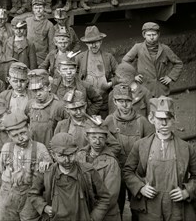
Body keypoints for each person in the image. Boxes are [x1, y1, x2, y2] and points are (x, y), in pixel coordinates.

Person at [123, 96, 196, 221]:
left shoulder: (186, 148)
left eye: (168, 118)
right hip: (149, 207)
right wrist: (141, 188)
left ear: (174, 119)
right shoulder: (141, 145)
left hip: (176, 208)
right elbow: (127, 171)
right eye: (160, 119)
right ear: (152, 119)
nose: (164, 123)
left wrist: (187, 191)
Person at [28, 132, 112, 221]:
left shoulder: (88, 171)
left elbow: (104, 198)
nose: (67, 160)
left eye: (71, 155)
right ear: (53, 155)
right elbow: (33, 194)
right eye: (61, 156)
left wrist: (93, 218)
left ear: (76, 152)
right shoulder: (46, 173)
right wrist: (44, 207)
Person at [104, 84, 154, 220]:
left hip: (137, 174)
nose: (124, 105)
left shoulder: (142, 122)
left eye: (127, 101)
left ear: (132, 101)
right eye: (120, 101)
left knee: (138, 209)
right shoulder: (109, 121)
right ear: (114, 102)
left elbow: (152, 147)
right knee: (116, 206)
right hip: (116, 173)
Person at [0, 113, 52, 221]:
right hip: (8, 193)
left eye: (23, 133)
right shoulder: (6, 148)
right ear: (9, 134)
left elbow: (50, 173)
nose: (21, 138)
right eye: (15, 135)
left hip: (30, 194)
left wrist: (46, 166)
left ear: (28, 127)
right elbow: (1, 169)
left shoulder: (40, 148)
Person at [122, 22, 183, 97]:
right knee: (144, 108)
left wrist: (170, 77)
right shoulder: (138, 47)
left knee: (162, 108)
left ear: (159, 34)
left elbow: (178, 63)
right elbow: (125, 61)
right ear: (144, 35)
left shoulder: (165, 49)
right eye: (148, 35)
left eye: (154, 34)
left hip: (160, 89)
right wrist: (133, 75)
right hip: (144, 88)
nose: (151, 37)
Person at [76, 126, 123, 221]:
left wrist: (95, 216)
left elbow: (111, 195)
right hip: (82, 211)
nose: (97, 142)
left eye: (101, 138)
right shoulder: (79, 156)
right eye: (93, 137)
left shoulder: (111, 161)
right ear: (87, 138)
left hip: (105, 214)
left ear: (106, 139)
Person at [76, 25, 117, 116]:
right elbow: (74, 75)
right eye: (90, 43)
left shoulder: (108, 57)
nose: (93, 45)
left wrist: (110, 83)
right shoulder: (80, 58)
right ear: (86, 44)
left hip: (105, 100)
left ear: (101, 41)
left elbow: (120, 74)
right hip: (88, 102)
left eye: (96, 42)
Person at [25, 69, 66, 146]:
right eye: (34, 91)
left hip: (51, 149)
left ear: (49, 87)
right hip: (34, 148)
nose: (38, 94)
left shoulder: (59, 106)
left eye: (40, 89)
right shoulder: (30, 105)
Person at [25, 0, 54, 66]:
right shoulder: (27, 21)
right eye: (36, 8)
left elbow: (51, 45)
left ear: (44, 8)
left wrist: (50, 62)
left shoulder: (49, 25)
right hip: (28, 55)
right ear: (32, 9)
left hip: (42, 57)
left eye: (40, 8)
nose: (38, 10)